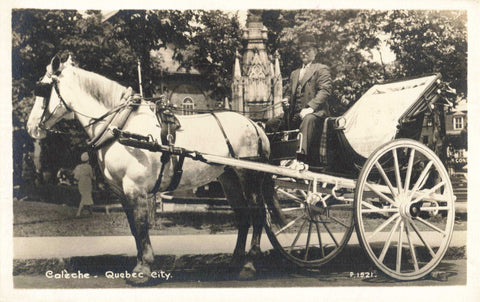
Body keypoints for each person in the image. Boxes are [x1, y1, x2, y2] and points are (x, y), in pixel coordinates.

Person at [266, 34, 333, 166]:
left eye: (308, 50)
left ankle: (300, 159)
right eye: (302, 50)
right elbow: (289, 93)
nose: (304, 52)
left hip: (315, 113)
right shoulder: (294, 73)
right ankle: (270, 157)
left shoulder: (321, 69)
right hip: (294, 114)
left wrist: (309, 108)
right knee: (271, 123)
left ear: (315, 52)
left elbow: (325, 91)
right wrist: (286, 100)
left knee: (307, 120)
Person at [73, 152, 95, 217]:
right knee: (86, 197)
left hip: (81, 183)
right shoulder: (89, 167)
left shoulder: (78, 167)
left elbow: (75, 176)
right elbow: (91, 176)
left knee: (86, 196)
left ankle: (91, 212)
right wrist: (94, 177)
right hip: (87, 183)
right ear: (88, 160)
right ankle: (79, 212)